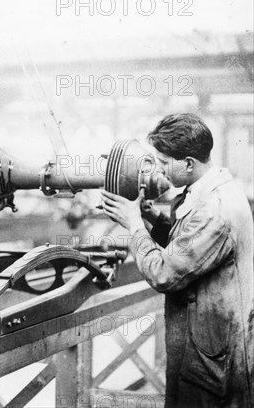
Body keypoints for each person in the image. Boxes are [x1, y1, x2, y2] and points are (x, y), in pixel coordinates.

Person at [101, 113, 253, 407]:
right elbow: (187, 246)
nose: (158, 169)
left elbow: (164, 274)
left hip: (213, 367)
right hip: (208, 349)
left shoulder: (215, 210)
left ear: (188, 164)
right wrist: (148, 215)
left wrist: (133, 225)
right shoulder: (210, 192)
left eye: (163, 162)